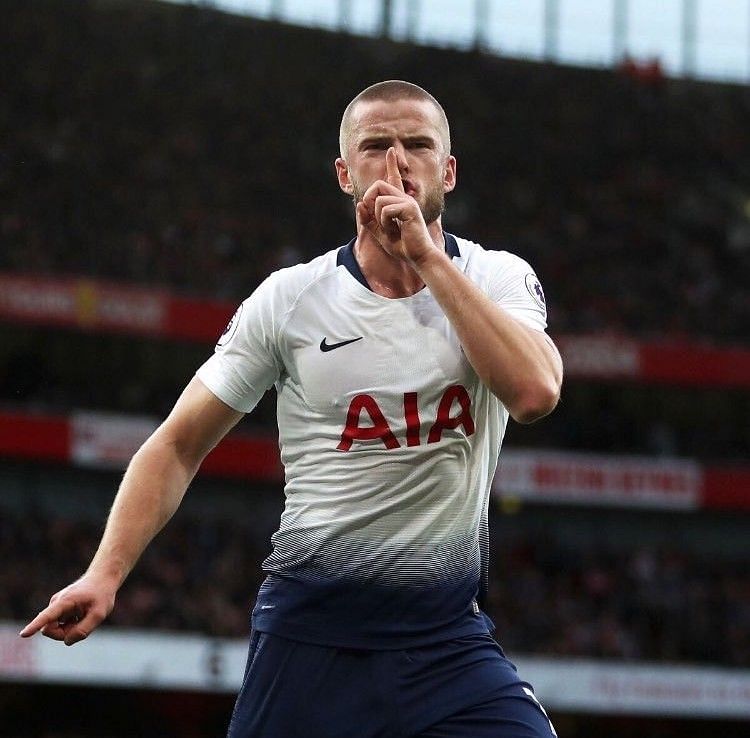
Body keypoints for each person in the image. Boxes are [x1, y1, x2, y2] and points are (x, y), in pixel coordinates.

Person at [22, 80, 563, 737]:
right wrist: (103, 576)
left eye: (418, 145)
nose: (398, 162)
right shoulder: (291, 299)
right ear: (344, 174)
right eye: (375, 146)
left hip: (446, 646)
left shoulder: (497, 278)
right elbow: (176, 445)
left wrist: (425, 255)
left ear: (448, 170)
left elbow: (534, 393)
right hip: (311, 642)